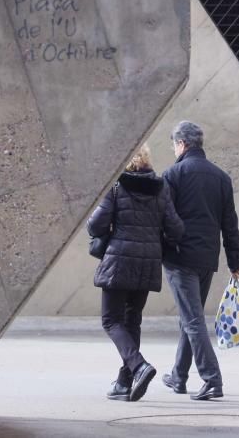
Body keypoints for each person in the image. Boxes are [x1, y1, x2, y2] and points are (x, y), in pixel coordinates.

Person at [87, 143, 185, 402]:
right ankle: (124, 382)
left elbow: (95, 224)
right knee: (133, 321)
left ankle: (139, 366)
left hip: (119, 261)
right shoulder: (161, 187)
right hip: (148, 263)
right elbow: (176, 229)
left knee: (111, 320)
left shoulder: (117, 185)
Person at [160, 120, 239, 401]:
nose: (174, 149)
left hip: (180, 258)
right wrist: (235, 260)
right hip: (208, 258)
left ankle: (212, 379)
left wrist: (165, 246)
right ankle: (178, 376)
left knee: (193, 320)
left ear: (181, 144)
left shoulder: (173, 175)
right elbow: (230, 223)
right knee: (189, 318)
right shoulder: (221, 177)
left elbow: (164, 219)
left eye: (174, 144)